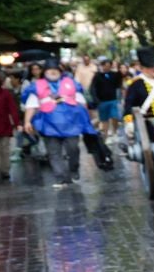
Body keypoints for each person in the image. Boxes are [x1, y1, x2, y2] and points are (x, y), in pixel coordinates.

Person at [24, 61, 99, 189]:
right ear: (44, 72)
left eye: (55, 70)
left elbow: (82, 102)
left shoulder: (71, 83)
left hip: (71, 123)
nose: (53, 72)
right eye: (49, 70)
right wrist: (27, 121)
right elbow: (31, 105)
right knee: (54, 152)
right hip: (49, 124)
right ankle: (60, 178)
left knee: (73, 148)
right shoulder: (37, 86)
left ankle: (73, 170)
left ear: (60, 72)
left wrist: (86, 119)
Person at [90, 59, 124, 139]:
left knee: (114, 116)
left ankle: (115, 132)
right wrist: (95, 99)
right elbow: (93, 88)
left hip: (113, 100)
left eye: (108, 66)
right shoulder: (97, 76)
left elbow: (119, 83)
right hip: (102, 101)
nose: (106, 67)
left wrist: (119, 69)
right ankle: (105, 135)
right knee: (104, 119)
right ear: (102, 66)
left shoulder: (114, 75)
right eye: (105, 66)